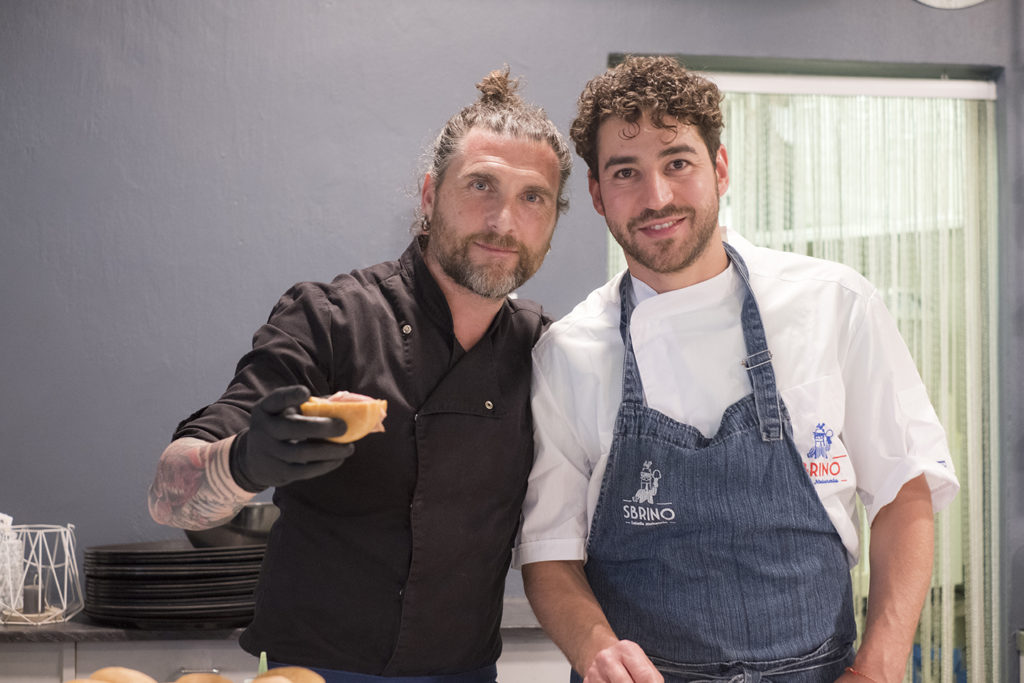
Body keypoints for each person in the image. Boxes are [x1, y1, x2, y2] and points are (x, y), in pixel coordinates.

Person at [514, 56, 960, 683]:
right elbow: (550, 552)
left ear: (719, 168)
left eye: (678, 162)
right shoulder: (569, 352)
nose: (657, 197)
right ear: (596, 194)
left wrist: (881, 666)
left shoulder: (832, 303)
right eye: (625, 173)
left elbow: (903, 490)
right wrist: (594, 650)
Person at [148, 67, 572, 683]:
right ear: (429, 197)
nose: (504, 222)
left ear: (553, 223)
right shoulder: (329, 318)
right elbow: (170, 499)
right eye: (481, 185)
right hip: (306, 671)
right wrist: (244, 461)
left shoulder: (545, 350)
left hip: (466, 672)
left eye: (532, 197)